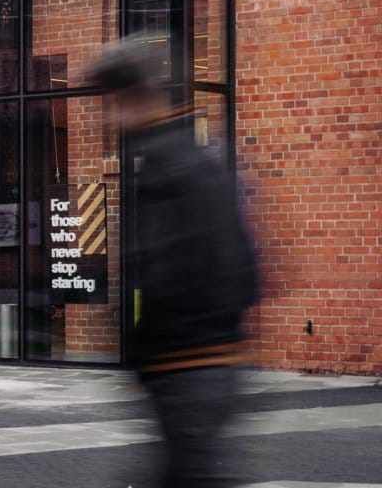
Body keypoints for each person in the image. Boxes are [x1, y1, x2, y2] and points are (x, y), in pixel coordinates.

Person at [87, 41, 258, 488]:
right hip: (210, 359)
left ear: (135, 97)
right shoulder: (200, 158)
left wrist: (144, 345)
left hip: (185, 365)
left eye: (113, 103)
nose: (110, 118)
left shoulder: (166, 164)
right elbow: (247, 268)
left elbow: (163, 270)